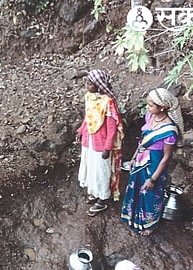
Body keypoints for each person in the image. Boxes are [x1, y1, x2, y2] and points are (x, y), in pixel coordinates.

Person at [121, 88, 184, 236]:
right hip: (141, 160)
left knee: (150, 194)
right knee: (135, 187)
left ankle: (150, 224)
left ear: (162, 107)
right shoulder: (150, 116)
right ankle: (133, 216)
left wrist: (153, 178)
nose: (147, 107)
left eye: (150, 105)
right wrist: (134, 157)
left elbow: (166, 157)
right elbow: (143, 140)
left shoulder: (169, 131)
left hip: (155, 165)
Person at [77, 69, 124, 216]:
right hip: (89, 139)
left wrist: (107, 147)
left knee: (101, 171)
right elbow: (88, 118)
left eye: (90, 83)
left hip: (101, 143)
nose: (87, 85)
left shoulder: (107, 103)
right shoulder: (89, 97)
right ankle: (94, 191)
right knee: (91, 167)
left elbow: (112, 128)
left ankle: (103, 198)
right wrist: (80, 131)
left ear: (99, 85)